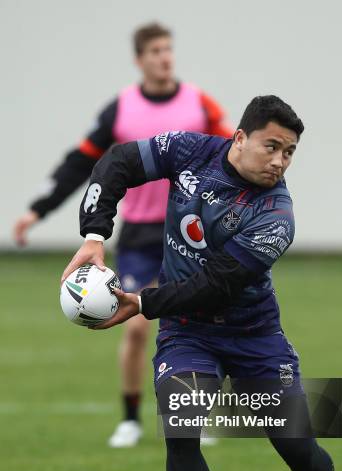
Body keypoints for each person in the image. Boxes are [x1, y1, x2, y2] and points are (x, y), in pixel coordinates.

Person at [62, 95, 340, 471]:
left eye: (290, 152)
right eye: (271, 146)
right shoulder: (191, 152)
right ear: (239, 138)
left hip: (254, 336)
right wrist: (94, 235)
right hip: (188, 334)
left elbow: (216, 283)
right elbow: (117, 161)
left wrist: (140, 303)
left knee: (295, 446)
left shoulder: (276, 214)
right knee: (182, 427)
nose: (280, 161)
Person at [14, 22, 232, 447]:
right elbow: (82, 163)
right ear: (139, 60)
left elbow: (234, 156)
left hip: (191, 233)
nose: (164, 58)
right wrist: (37, 210)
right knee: (134, 327)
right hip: (139, 236)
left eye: (168, 49)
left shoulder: (199, 104)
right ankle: (130, 418)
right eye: (155, 51)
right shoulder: (122, 108)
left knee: (197, 321)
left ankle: (196, 416)